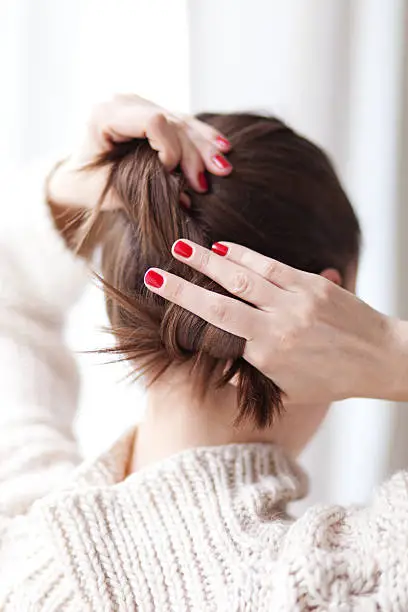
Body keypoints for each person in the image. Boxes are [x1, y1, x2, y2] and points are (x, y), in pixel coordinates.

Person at [0, 95, 407, 611]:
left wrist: (71, 188)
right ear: (322, 306)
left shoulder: (19, 543)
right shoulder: (360, 580)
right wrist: (392, 353)